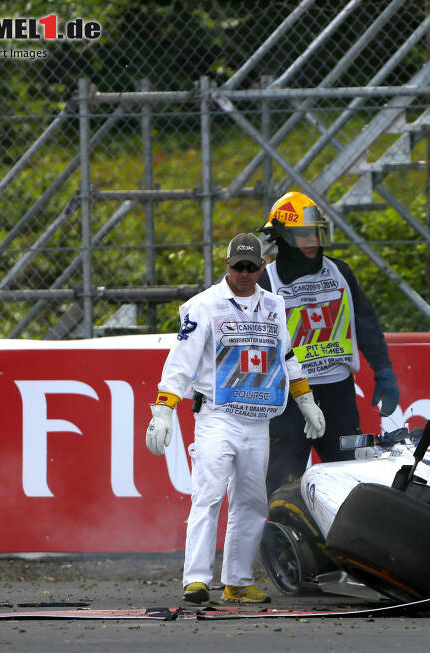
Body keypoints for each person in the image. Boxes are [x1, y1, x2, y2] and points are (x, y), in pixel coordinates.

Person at [145, 233, 326, 605]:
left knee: (251, 501)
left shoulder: (275, 305)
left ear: (262, 266)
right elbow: (181, 362)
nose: (245, 274)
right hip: (217, 416)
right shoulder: (203, 306)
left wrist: (306, 400)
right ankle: (196, 579)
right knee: (208, 495)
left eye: (252, 266)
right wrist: (163, 410)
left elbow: (286, 356)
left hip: (259, 419)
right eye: (238, 266)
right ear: (226, 265)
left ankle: (238, 582)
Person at [258, 191, 400, 495]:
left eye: (317, 233)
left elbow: (366, 325)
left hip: (339, 396)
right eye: (303, 234)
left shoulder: (341, 272)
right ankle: (281, 542)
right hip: (288, 401)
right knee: (282, 487)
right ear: (281, 237)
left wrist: (384, 371)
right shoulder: (264, 281)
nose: (313, 242)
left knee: (352, 480)